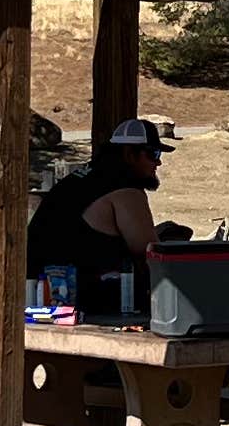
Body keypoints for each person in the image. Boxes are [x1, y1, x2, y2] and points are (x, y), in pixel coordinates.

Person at [26, 116, 183, 316]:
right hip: (84, 302)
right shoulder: (125, 188)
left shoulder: (83, 177)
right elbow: (151, 254)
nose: (158, 162)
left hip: (40, 295)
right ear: (129, 154)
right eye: (152, 153)